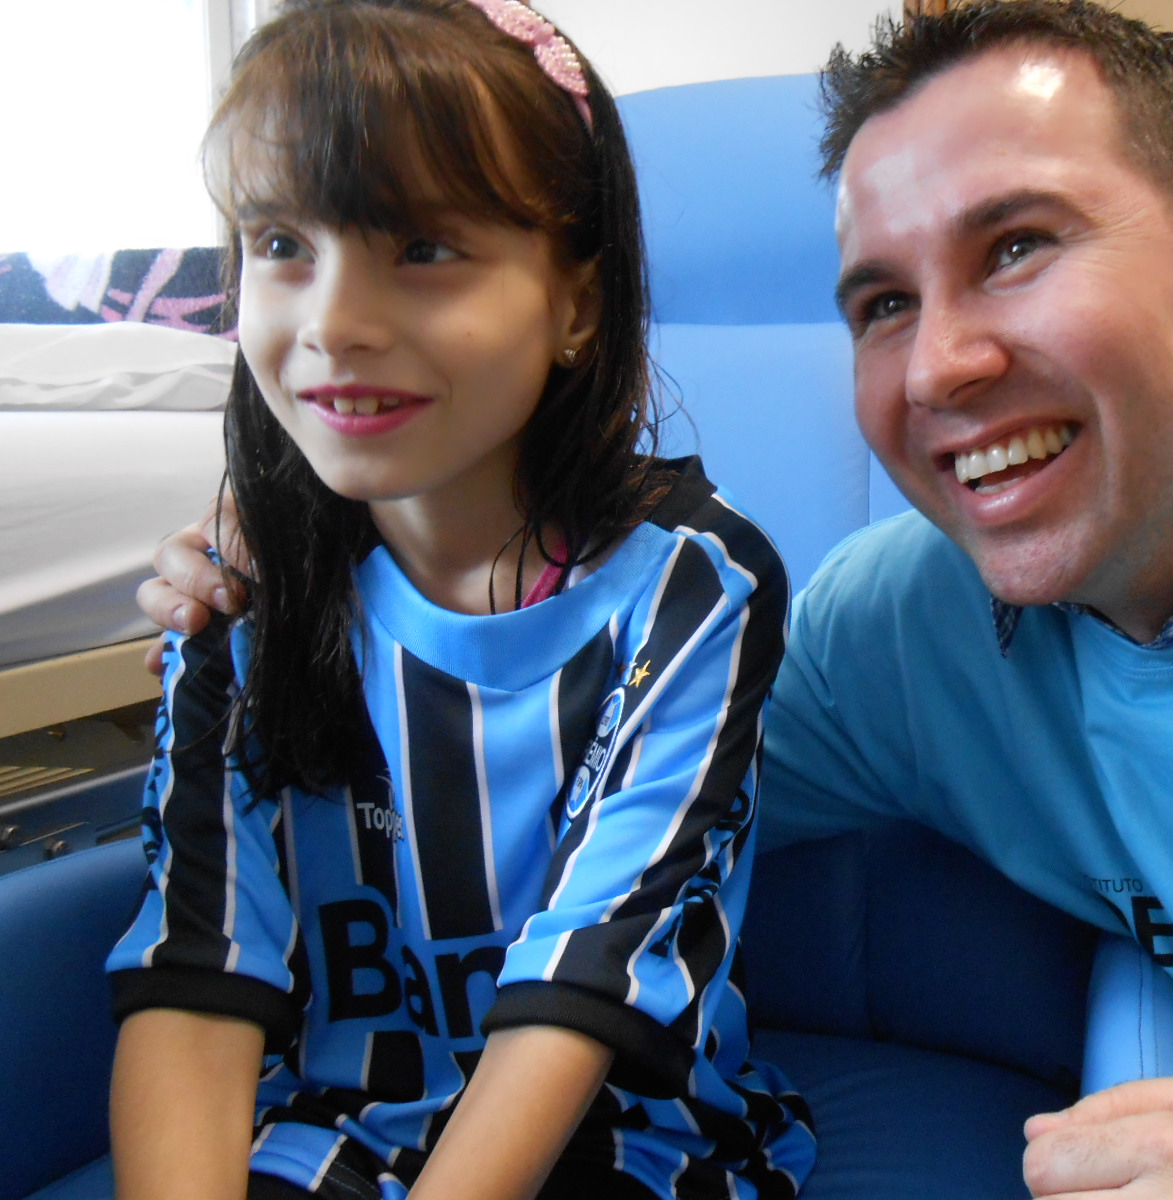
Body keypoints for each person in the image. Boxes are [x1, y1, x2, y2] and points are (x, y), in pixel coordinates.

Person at [139, 2, 1173, 1199]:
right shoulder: (894, 630)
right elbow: (590, 794)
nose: (945, 367)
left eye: (1018, 247)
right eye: (883, 305)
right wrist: (293, 543)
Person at [106, 3, 814, 1199]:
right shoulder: (236, 598)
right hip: (331, 1132)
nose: (332, 323)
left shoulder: (695, 585)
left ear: (576, 305)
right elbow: (198, 977)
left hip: (619, 1138)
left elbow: (586, 981)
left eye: (425, 249)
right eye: (281, 243)